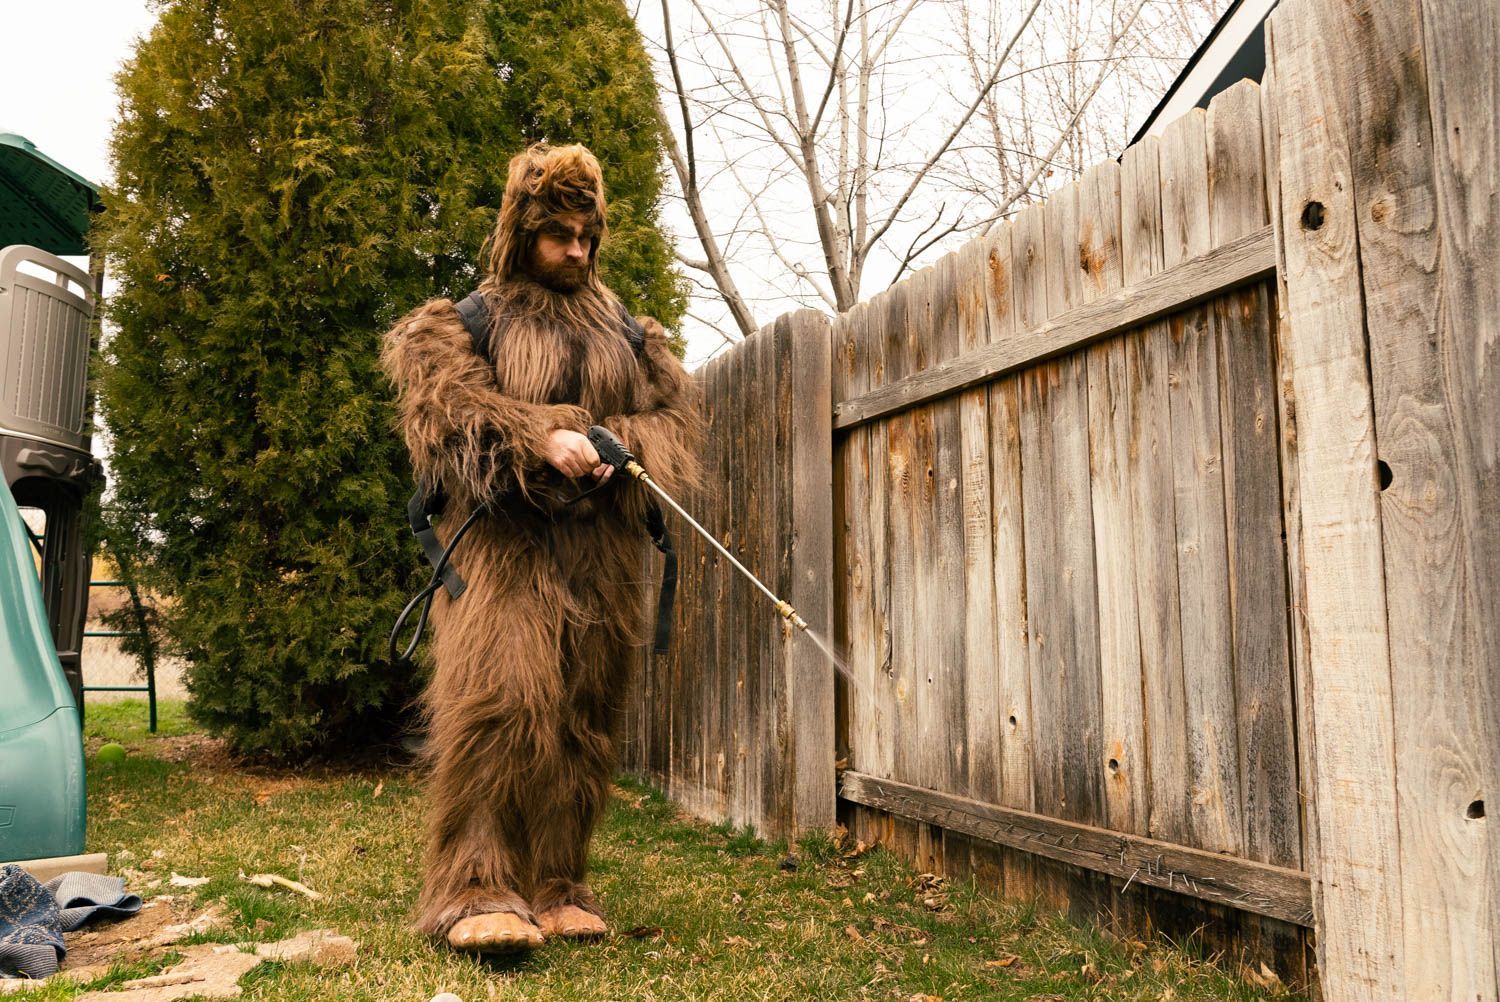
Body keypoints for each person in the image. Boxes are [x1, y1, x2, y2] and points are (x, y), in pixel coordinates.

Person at [380, 143, 703, 952]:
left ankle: (560, 880)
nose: (577, 251)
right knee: (503, 704)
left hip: (603, 556)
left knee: (584, 719)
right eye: (559, 233)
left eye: (587, 235)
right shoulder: (468, 320)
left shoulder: (631, 333)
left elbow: (675, 428)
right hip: (501, 550)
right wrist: (538, 436)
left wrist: (612, 443)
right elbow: (442, 411)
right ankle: (474, 886)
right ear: (522, 230)